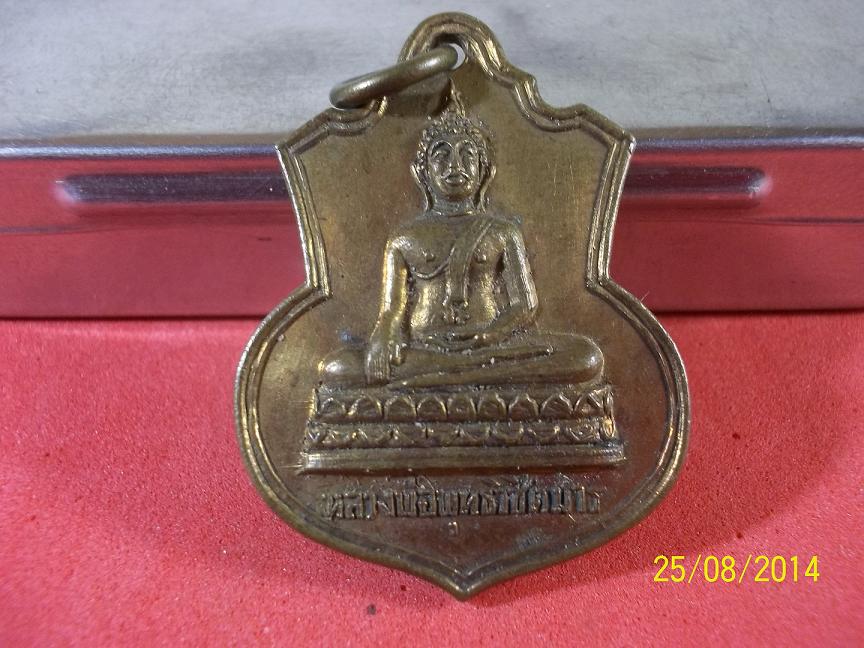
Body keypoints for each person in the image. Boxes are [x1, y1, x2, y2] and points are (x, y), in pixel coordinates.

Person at [319, 90, 603, 389]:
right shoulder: (405, 237)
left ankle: (453, 376)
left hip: (490, 347)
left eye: (467, 155)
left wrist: (489, 335)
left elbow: (525, 305)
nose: (455, 166)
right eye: (442, 157)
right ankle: (465, 375)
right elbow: (392, 310)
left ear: (484, 171)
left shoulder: (502, 231)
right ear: (423, 173)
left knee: (585, 355)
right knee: (338, 366)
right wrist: (382, 338)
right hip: (425, 346)